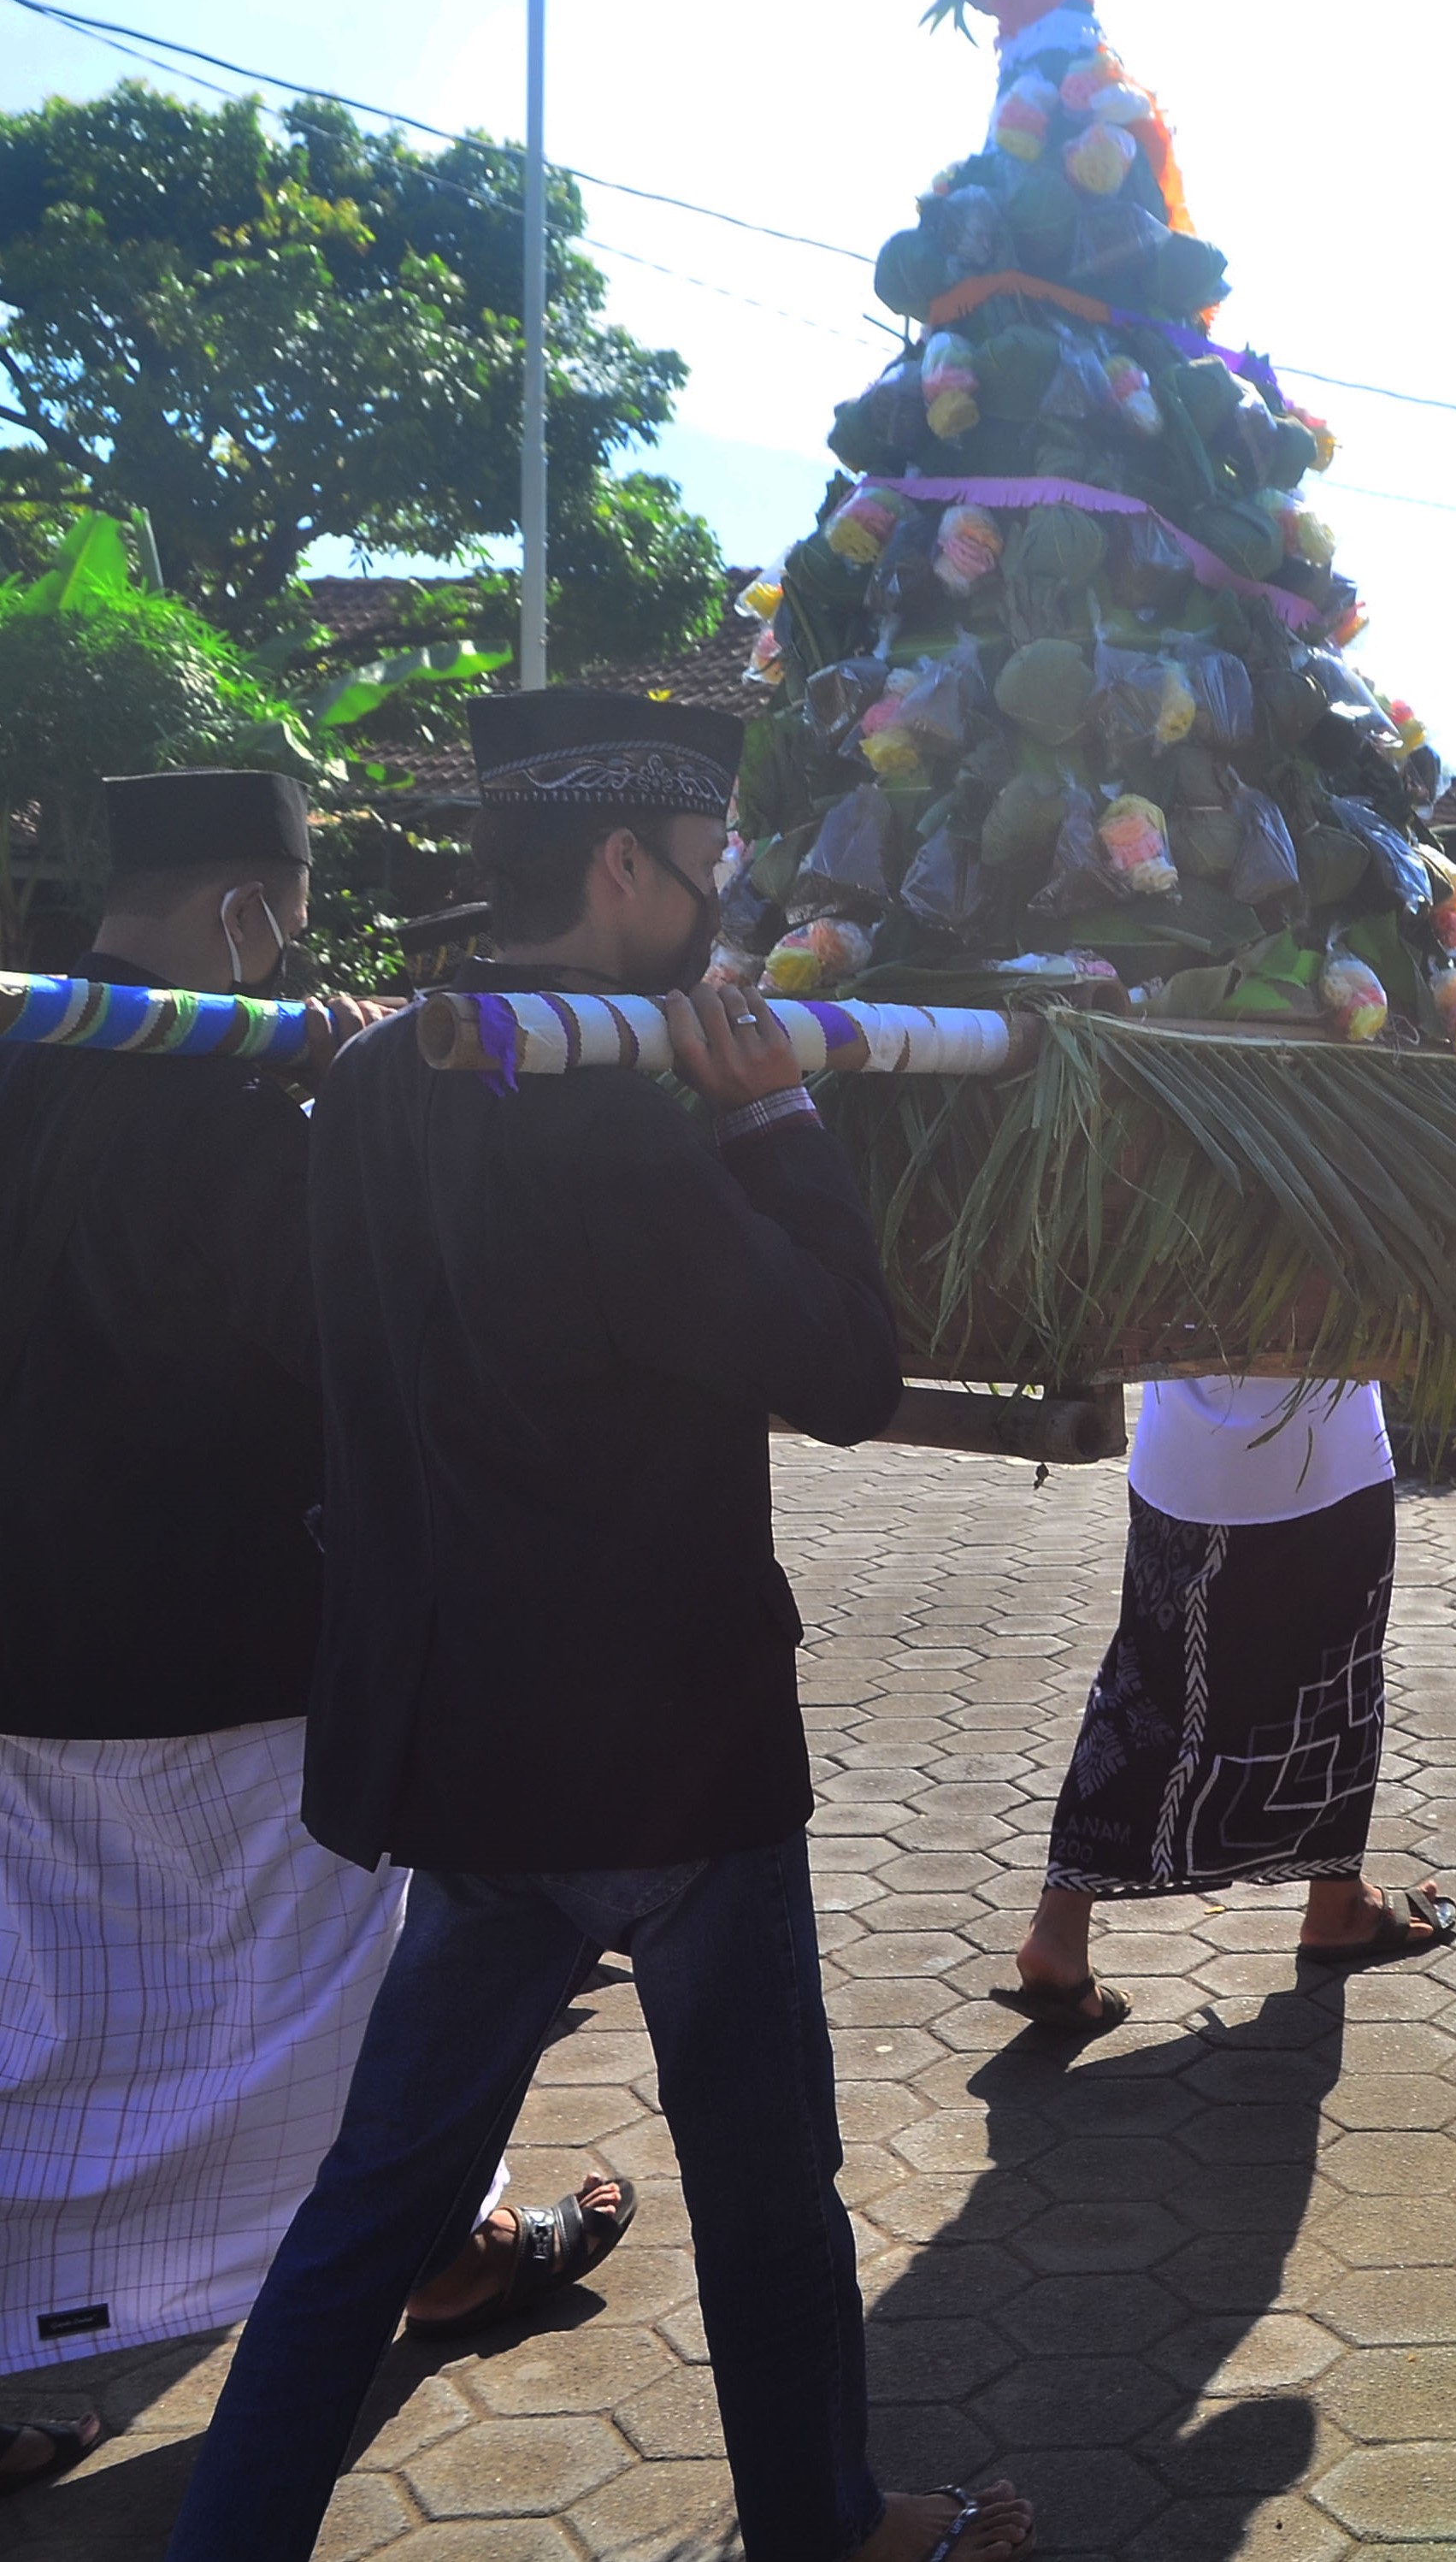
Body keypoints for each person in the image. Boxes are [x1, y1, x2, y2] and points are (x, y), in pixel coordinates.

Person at [167, 693, 1029, 2562]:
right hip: (665, 1760)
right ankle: (823, 2524)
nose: (721, 912)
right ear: (622, 867)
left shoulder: (379, 1075)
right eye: (705, 870)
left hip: (461, 1751)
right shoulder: (613, 1125)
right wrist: (782, 1119)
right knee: (763, 2191)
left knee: (365, 2208)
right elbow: (849, 1371)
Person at [0, 776, 616, 2455]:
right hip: (217, 1651)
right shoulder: (218, 1107)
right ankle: (436, 2245)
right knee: (328, 1995)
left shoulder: (27, 1044)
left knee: (39, 2018)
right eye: (292, 918)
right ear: (242, 916)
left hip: (34, 1644)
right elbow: (346, 1341)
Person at [1010, 1373, 1453, 2028]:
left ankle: (1059, 1928)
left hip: (1180, 1466)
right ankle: (1338, 1909)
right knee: (1334, 1684)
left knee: (1144, 1688)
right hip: (1325, 1460)